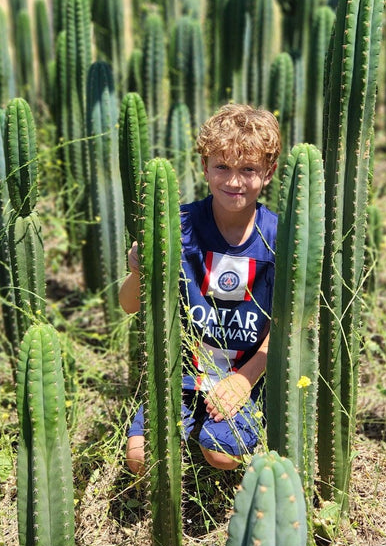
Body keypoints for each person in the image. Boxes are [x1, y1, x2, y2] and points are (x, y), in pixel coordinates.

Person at [119, 103, 280, 473]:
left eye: (248, 169)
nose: (234, 181)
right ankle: (192, 426)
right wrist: (138, 270)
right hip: (184, 374)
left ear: (268, 173)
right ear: (204, 166)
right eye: (222, 166)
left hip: (249, 374)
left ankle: (234, 428)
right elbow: (129, 305)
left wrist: (245, 379)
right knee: (140, 459)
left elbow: (290, 323)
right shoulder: (178, 226)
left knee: (222, 456)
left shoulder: (278, 237)